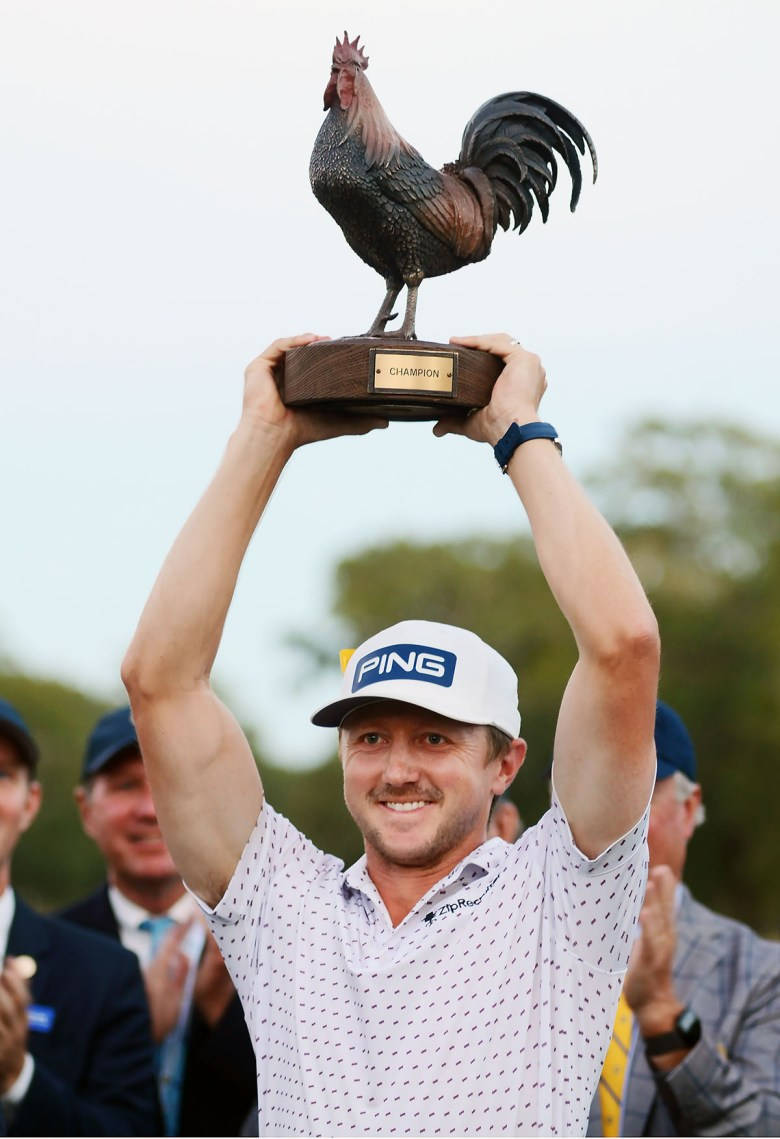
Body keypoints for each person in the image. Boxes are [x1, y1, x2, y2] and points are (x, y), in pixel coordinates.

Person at [121, 331, 661, 1136]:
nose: (398, 767)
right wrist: (262, 440)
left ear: (505, 761)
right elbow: (160, 683)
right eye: (370, 736)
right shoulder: (283, 905)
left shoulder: (560, 893)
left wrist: (519, 433)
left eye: (436, 739)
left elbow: (624, 650)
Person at [60, 705, 256, 1137]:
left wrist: (217, 1012)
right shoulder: (46, 949)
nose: (150, 809)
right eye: (127, 785)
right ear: (86, 808)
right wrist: (131, 1030)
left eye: (170, 781)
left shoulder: (267, 942)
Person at [587, 701, 780, 1137]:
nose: (601, 812)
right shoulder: (511, 951)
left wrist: (662, 1016)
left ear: (689, 809)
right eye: (577, 788)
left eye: (631, 789)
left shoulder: (760, 973)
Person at [0, 697, 159, 1135]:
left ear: (30, 802)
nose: (149, 807)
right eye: (126, 785)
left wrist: (18, 1079)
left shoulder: (104, 972)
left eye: (1, 775)